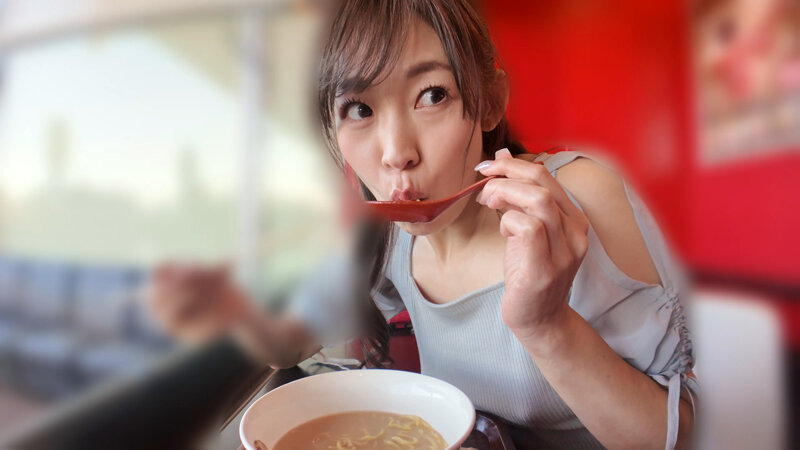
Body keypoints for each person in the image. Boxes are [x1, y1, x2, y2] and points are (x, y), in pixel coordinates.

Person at [148, 0, 697, 448]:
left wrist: (546, 325)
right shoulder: (388, 237)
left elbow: (679, 433)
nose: (396, 154)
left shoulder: (582, 198)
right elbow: (288, 345)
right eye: (359, 110)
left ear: (489, 103)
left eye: (431, 95)